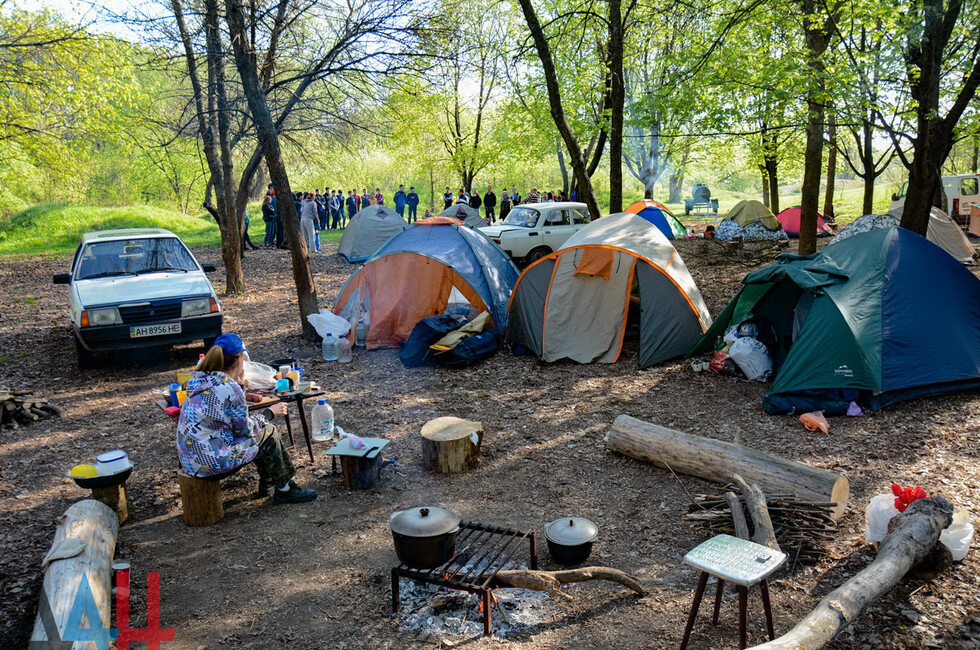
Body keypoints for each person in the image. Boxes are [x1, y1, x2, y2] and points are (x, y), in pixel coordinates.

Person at [176, 334, 317, 504]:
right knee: (268, 431)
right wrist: (269, 413)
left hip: (190, 460)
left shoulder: (199, 381)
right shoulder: (229, 388)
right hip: (211, 464)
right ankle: (286, 488)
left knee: (258, 436)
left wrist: (242, 391)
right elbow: (245, 430)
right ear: (238, 360)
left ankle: (268, 485)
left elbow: (220, 410)